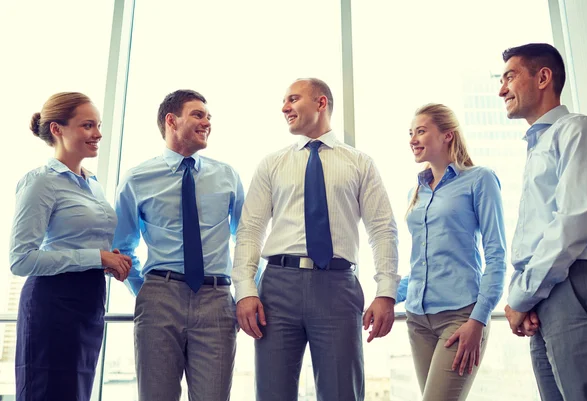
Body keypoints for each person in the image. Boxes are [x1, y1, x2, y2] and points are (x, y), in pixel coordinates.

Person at [232, 78, 399, 401]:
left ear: (321, 103)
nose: (284, 107)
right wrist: (245, 290)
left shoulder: (360, 163)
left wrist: (386, 292)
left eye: (293, 99)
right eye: (283, 101)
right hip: (277, 290)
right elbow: (250, 230)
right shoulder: (272, 164)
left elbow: (382, 228)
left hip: (337, 287)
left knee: (342, 394)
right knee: (273, 394)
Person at [112, 89, 244, 401]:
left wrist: (245, 293)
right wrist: (147, 291)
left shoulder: (227, 176)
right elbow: (121, 248)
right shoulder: (137, 179)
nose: (207, 122)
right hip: (160, 298)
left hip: (216, 299)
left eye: (209, 117)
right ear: (172, 120)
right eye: (198, 114)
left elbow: (248, 240)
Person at [9, 92, 132, 401]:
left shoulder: (92, 183)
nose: (98, 134)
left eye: (99, 125)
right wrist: (95, 256)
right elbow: (21, 259)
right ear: (57, 129)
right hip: (52, 306)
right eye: (87, 125)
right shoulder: (41, 182)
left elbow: (79, 246)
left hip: (89, 303)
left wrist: (105, 260)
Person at [500, 43, 587, 400]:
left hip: (573, 283)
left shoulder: (579, 130)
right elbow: (534, 235)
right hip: (543, 293)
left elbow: (573, 223)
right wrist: (524, 297)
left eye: (509, 77)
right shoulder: (537, 148)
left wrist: (522, 296)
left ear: (543, 77)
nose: (501, 90)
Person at [404, 103, 506, 401]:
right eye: (410, 133)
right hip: (417, 319)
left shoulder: (479, 179)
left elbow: (496, 256)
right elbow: (422, 262)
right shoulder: (417, 190)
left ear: (447, 135)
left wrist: (478, 320)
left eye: (421, 131)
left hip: (460, 317)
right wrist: (385, 295)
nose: (412, 139)